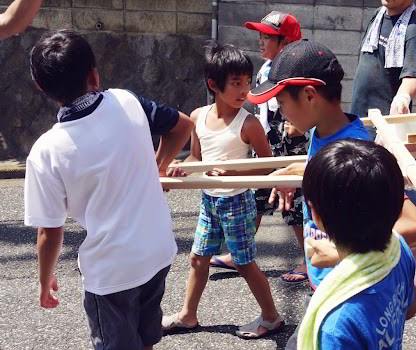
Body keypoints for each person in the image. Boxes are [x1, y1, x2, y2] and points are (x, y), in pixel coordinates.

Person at [247, 39, 416, 348]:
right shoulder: (322, 134)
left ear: (308, 95)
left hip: (352, 284)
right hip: (330, 281)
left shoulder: (356, 154)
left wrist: (343, 252)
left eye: (281, 100)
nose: (278, 110)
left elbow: (414, 224)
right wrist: (294, 174)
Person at [25, 30, 194, 350]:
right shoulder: (127, 101)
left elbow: (49, 231)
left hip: (112, 272)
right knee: (146, 340)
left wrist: (45, 279)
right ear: (94, 74)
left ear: (41, 87)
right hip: (158, 250)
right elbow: (183, 125)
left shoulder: (46, 151)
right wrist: (158, 166)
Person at [161, 44, 284, 339]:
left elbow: (268, 167)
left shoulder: (249, 123)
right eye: (236, 84)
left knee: (244, 262)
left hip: (237, 202)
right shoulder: (198, 117)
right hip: (210, 201)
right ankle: (188, 315)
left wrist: (233, 172)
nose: (244, 91)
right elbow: (197, 156)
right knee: (197, 258)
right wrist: (184, 167)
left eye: (247, 83)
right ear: (213, 85)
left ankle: (272, 317)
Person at [210, 11, 309, 285]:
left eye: (268, 37)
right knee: (256, 197)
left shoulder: (295, 67)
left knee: (293, 205)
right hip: (268, 140)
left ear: (286, 42)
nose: (261, 41)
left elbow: (302, 103)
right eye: (260, 35)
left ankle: (308, 258)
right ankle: (239, 252)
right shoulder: (267, 66)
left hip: (289, 142)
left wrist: (297, 126)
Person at [297, 139, 416, 349]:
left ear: (313, 211)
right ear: (398, 205)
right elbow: (408, 310)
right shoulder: (398, 249)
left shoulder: (335, 327)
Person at [351, 0, 416, 138]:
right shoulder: (377, 15)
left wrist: (402, 98)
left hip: (381, 123)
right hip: (359, 112)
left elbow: (411, 76)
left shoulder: (413, 29)